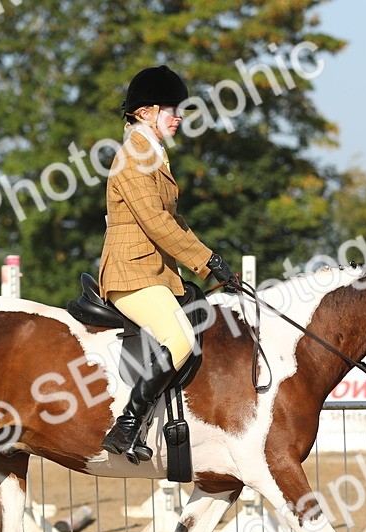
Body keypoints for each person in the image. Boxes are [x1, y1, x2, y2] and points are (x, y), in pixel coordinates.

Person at [98, 65, 235, 463]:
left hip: (156, 271)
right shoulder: (132, 159)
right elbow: (156, 223)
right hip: (130, 271)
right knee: (179, 338)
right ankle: (127, 425)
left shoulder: (154, 156)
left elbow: (175, 222)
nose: (179, 117)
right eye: (171, 109)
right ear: (145, 112)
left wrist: (212, 260)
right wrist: (205, 262)